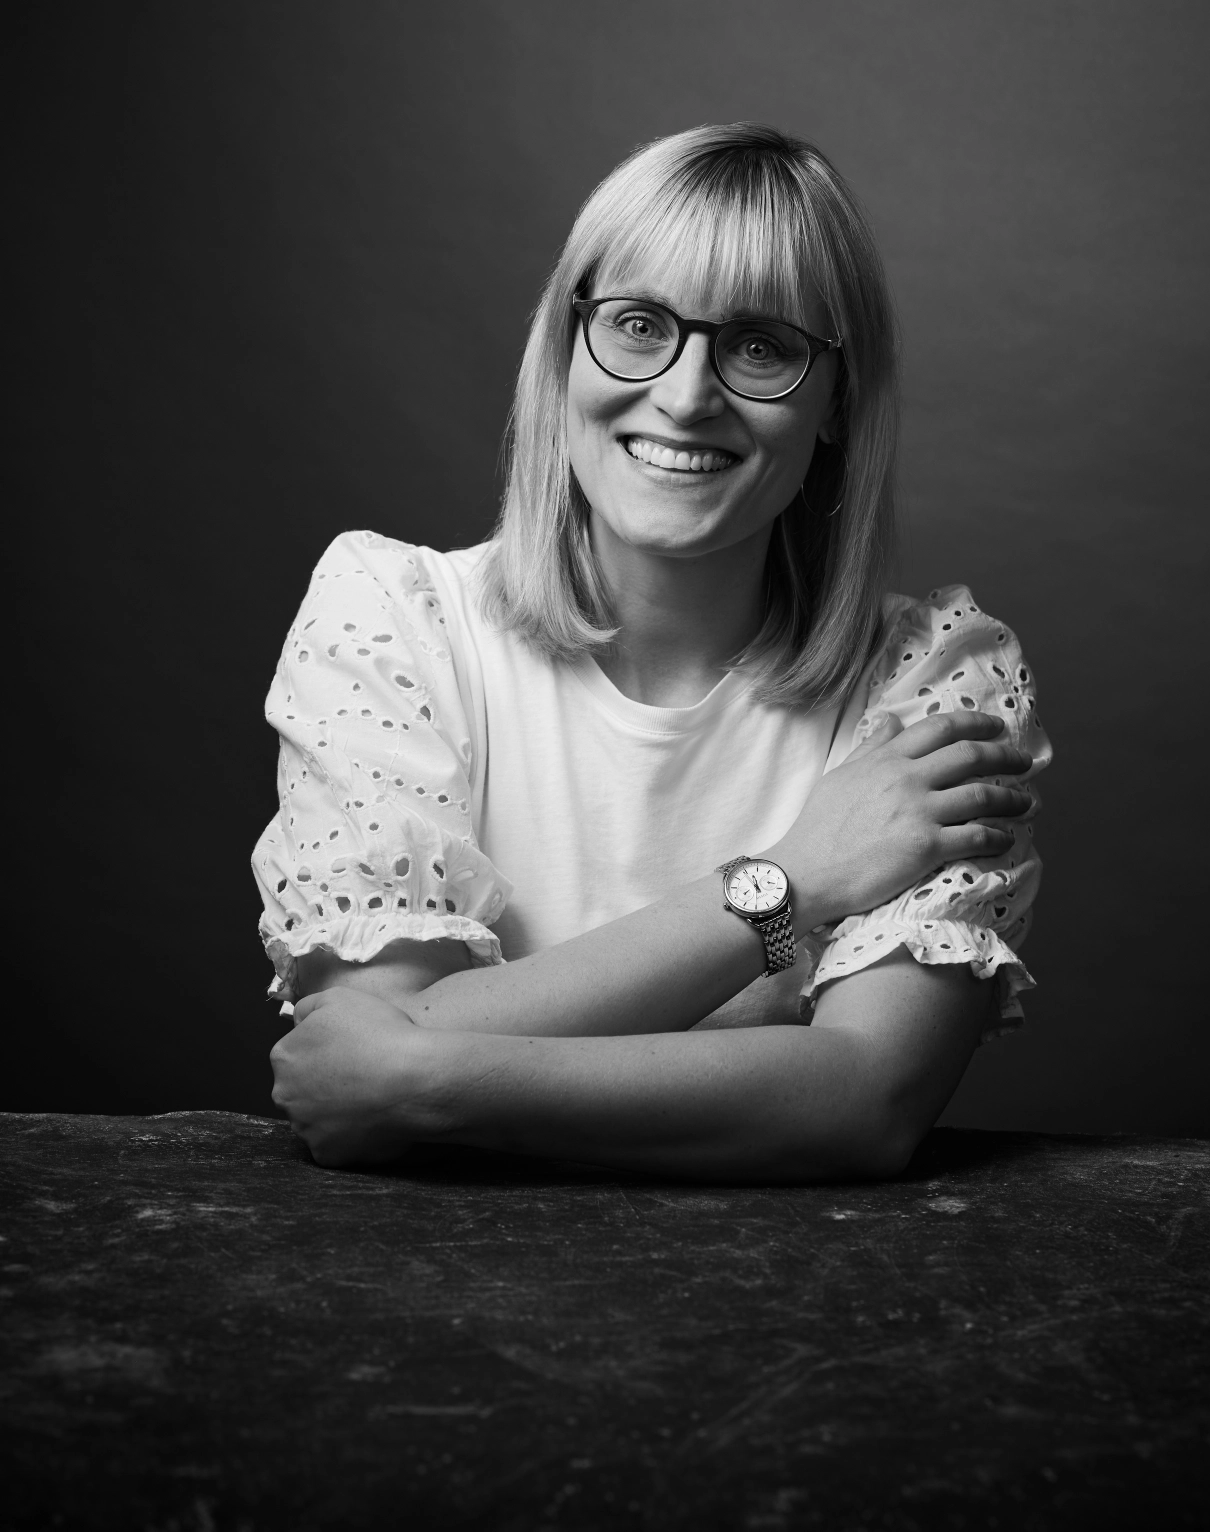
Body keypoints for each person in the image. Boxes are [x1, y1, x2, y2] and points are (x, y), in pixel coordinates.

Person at [258, 124, 1050, 1181]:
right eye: (638, 325)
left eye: (759, 346)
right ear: (564, 352)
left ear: (836, 403)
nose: (685, 396)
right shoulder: (394, 616)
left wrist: (427, 1080)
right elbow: (378, 1027)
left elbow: (865, 1099)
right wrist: (786, 884)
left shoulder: (933, 681)